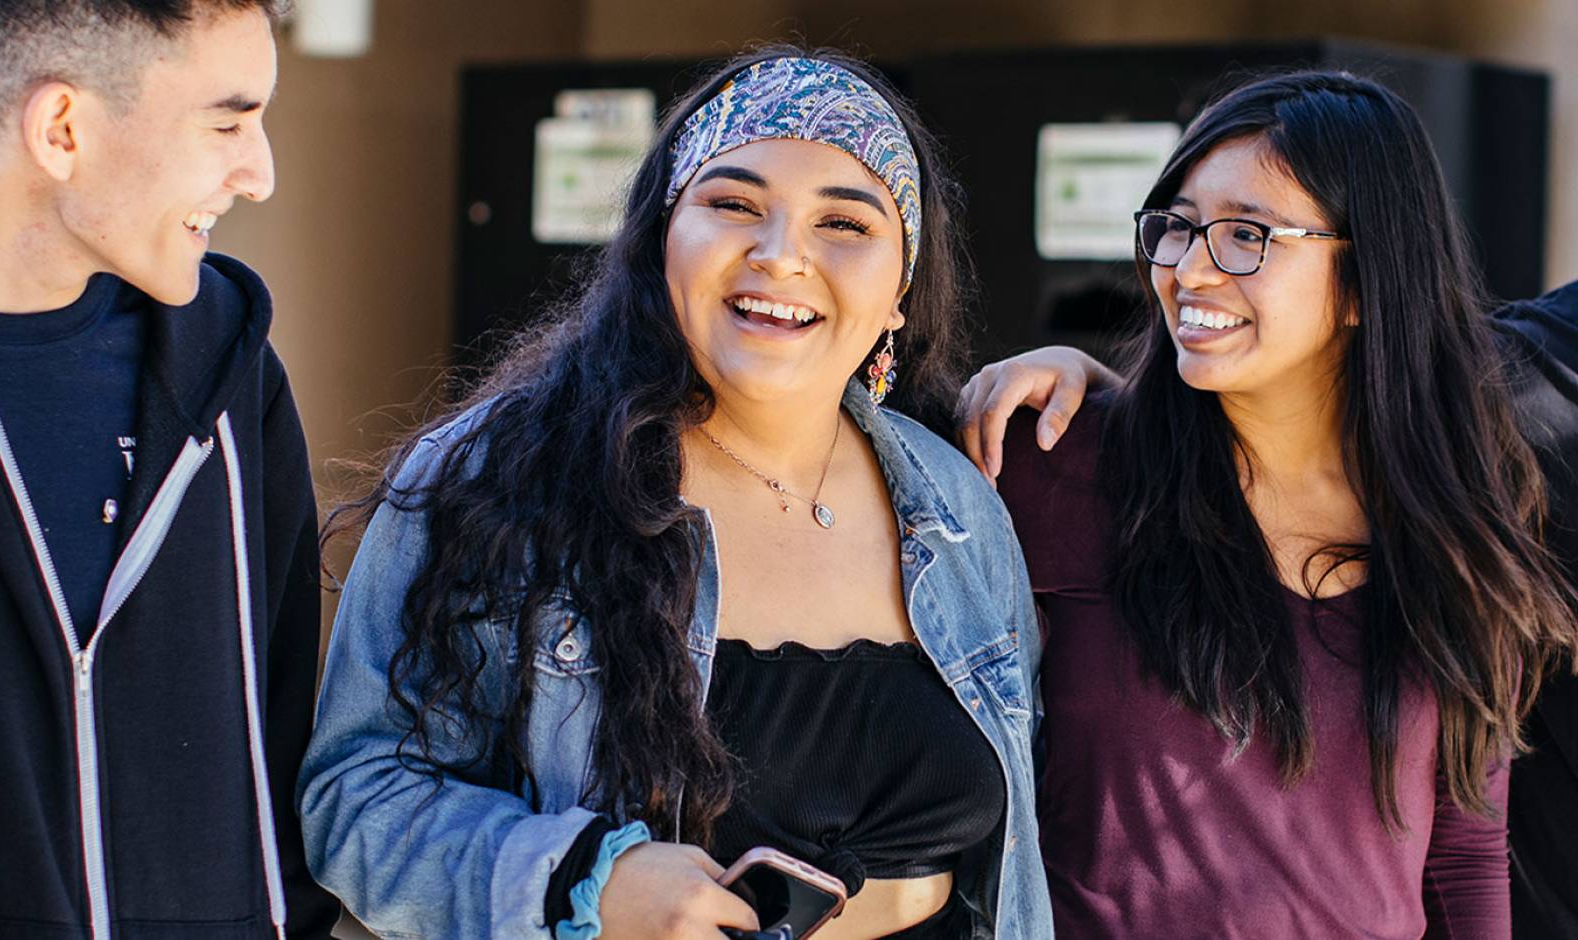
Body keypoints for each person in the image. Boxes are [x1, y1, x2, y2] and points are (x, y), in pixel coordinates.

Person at [299, 49, 1051, 939]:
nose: (780, 257)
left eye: (844, 223)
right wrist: (582, 885)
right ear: (662, 240)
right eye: (733, 204)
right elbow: (354, 801)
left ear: (900, 291)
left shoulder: (959, 508)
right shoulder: (494, 475)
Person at [955, 71, 1578, 938]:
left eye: (1247, 234)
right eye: (1176, 227)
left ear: (1365, 284)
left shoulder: (1458, 518)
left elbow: (1464, 857)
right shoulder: (1055, 467)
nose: (1190, 269)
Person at [0, 1, 338, 936]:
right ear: (63, 129)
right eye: (227, 122)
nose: (258, 173)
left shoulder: (232, 372)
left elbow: (282, 726)